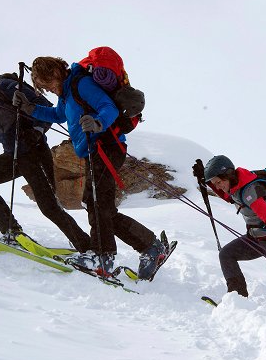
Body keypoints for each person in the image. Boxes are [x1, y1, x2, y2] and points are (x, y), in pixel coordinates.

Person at [15, 56, 164, 280]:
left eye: (49, 85)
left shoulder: (80, 84)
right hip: (93, 151)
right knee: (98, 206)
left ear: (55, 74)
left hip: (106, 147)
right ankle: (150, 246)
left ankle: (103, 256)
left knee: (97, 203)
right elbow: (57, 115)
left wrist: (98, 123)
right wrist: (29, 108)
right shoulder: (66, 94)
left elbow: (109, 107)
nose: (50, 90)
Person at [0, 68, 91, 252]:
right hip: (13, 156)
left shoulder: (5, 87)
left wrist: (36, 132)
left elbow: (44, 105)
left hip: (35, 152)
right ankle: (11, 231)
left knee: (49, 206)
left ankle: (86, 247)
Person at [201, 155, 266, 328]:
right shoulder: (235, 188)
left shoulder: (250, 191)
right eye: (214, 183)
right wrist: (205, 181)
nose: (217, 186)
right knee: (226, 255)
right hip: (255, 240)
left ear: (228, 175)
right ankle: (237, 299)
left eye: (218, 181)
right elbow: (228, 197)